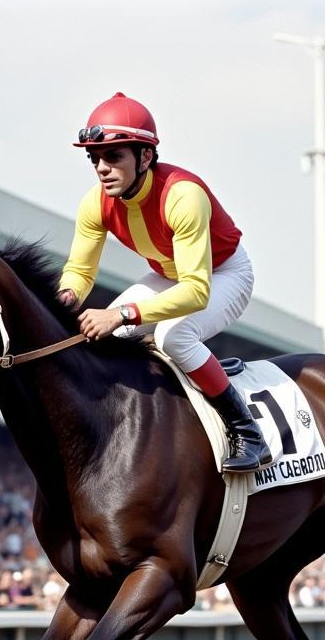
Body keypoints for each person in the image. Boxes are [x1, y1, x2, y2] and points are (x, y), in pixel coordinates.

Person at [58, 92, 271, 473]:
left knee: (174, 338)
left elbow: (195, 291)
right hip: (169, 274)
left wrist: (122, 313)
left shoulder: (183, 196)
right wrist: (66, 297)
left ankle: (247, 432)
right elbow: (81, 270)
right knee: (106, 339)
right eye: (94, 159)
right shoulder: (95, 203)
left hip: (223, 274)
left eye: (113, 157)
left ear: (145, 156)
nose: (102, 168)